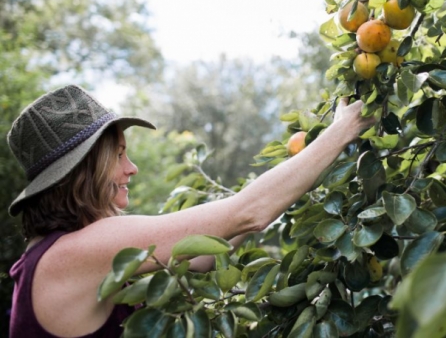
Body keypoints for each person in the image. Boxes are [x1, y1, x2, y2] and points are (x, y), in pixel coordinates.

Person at [7, 84, 375, 337]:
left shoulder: (53, 254)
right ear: (84, 170)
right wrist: (342, 130)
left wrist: (294, 186)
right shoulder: (78, 252)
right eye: (118, 154)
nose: (131, 167)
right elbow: (246, 212)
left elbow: (208, 251)